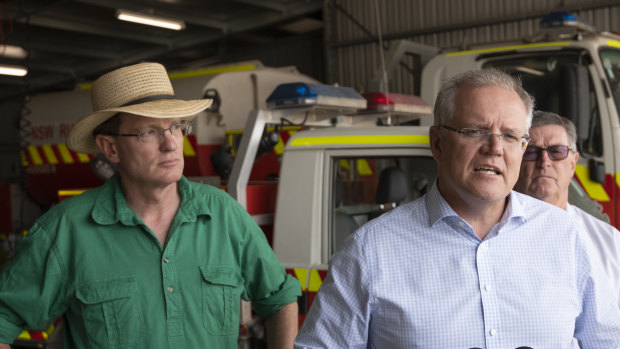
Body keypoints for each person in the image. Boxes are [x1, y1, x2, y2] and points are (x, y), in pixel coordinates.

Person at [294, 68, 620, 348]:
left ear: (521, 149)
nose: (494, 149)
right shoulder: (370, 252)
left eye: (509, 136)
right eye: (475, 131)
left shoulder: (566, 236)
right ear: (437, 143)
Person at [0, 62, 301, 348]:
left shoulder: (224, 215)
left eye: (176, 127)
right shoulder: (65, 231)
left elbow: (280, 298)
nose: (170, 143)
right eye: (148, 132)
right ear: (110, 148)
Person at [515, 110, 620, 305]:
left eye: (556, 151)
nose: (544, 162)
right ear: (516, 160)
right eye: (531, 151)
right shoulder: (488, 235)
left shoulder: (610, 242)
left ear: (573, 163)